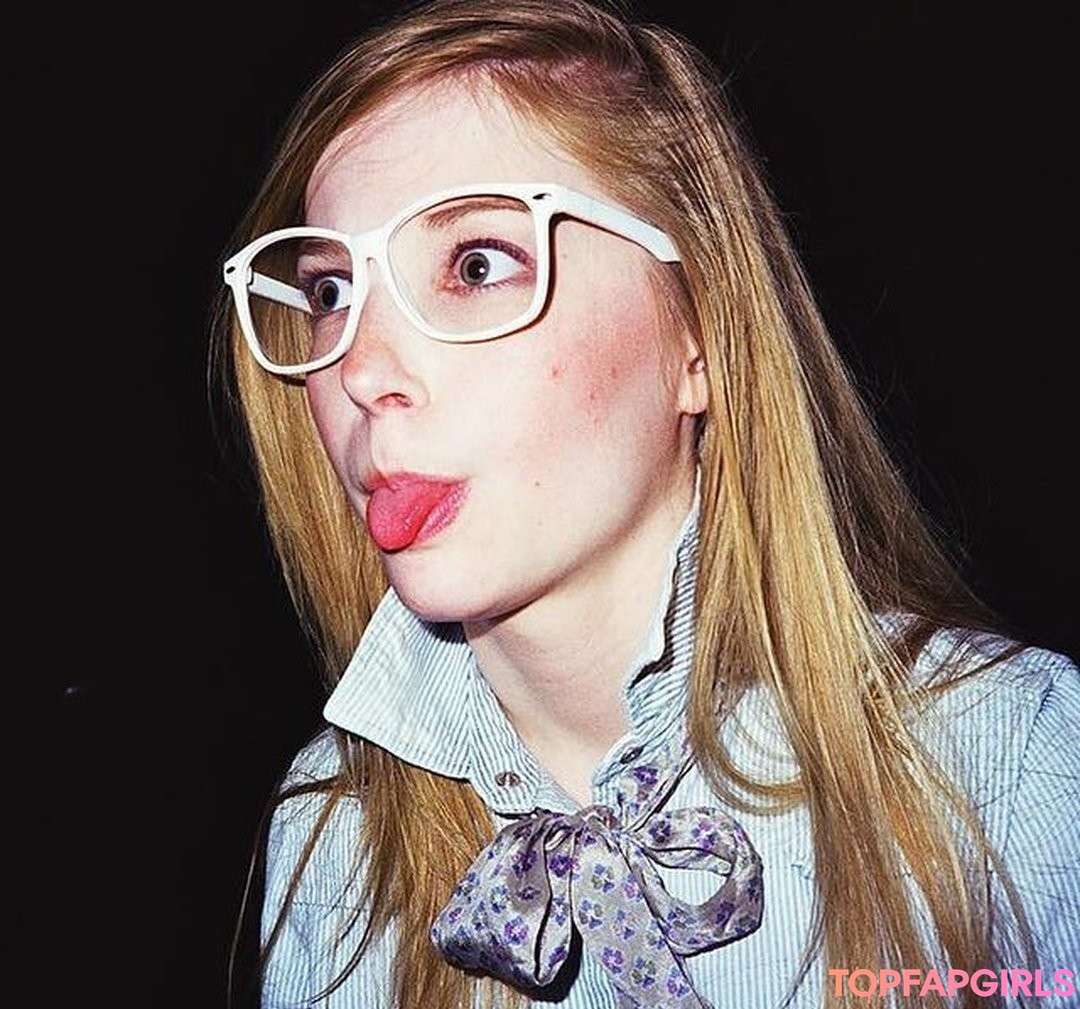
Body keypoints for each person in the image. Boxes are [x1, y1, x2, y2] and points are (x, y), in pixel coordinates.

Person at [211, 1, 1079, 1006]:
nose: (359, 370)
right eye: (329, 293)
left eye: (477, 264)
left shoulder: (1007, 760)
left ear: (699, 332)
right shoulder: (332, 840)